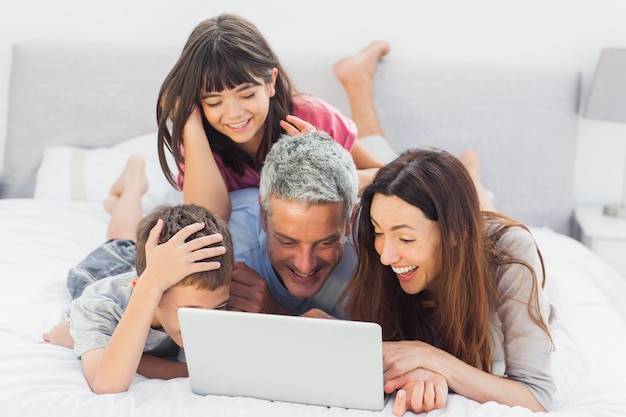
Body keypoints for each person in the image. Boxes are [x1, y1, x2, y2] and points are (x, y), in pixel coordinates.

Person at [339, 147, 554, 415]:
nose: (386, 257)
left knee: (486, 218)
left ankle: (472, 175)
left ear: (453, 233)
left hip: (485, 250)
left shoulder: (511, 255)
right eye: (378, 232)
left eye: (405, 239)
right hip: (462, 229)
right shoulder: (377, 248)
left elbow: (538, 398)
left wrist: (428, 356)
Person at [157, 13, 387, 221]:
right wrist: (188, 119)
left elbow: (385, 175)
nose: (234, 113)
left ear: (271, 82)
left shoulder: (310, 116)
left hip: (334, 133)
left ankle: (357, 79)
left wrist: (332, 168)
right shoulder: (199, 138)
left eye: (247, 94)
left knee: (374, 143)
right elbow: (208, 217)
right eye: (214, 102)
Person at [43, 155, 233, 394]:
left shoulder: (207, 293)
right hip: (104, 271)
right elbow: (108, 382)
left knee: (132, 243)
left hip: (156, 265)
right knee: (120, 242)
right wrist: (149, 285)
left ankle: (124, 198)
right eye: (191, 312)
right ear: (150, 291)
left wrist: (87, 344)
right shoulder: (100, 305)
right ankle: (133, 182)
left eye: (218, 309)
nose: (207, 324)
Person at [226, 131, 359, 318]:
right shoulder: (226, 240)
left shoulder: (377, 254)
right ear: (263, 216)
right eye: (286, 242)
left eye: (325, 243)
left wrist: (275, 313)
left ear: (350, 220)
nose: (305, 266)